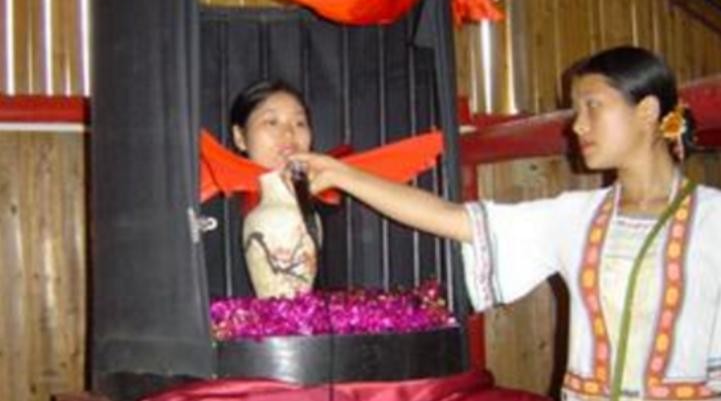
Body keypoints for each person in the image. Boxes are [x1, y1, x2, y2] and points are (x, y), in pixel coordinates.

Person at [291, 46, 721, 400]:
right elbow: (452, 219)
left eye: (593, 106)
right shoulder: (577, 218)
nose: (578, 126)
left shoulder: (713, 219)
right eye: (576, 110)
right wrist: (344, 175)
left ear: (647, 111)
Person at [229, 79, 319, 298]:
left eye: (300, 123)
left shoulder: (329, 196)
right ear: (240, 137)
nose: (289, 134)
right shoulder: (212, 203)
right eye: (272, 122)